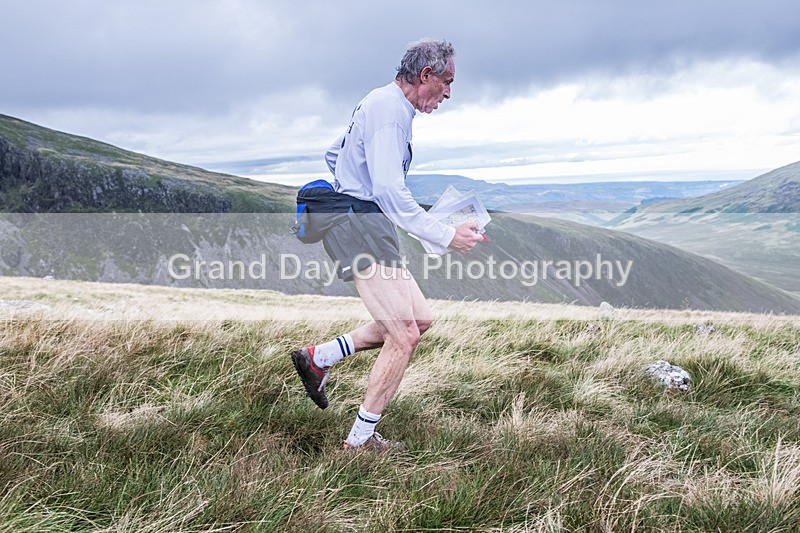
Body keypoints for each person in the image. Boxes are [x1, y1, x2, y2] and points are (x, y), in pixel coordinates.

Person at [291, 38, 483, 451]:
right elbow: (391, 192)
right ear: (425, 75)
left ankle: (318, 358)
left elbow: (333, 153)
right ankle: (359, 441)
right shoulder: (391, 113)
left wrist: (351, 180)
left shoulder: (383, 104)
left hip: (365, 222)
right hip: (359, 225)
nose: (448, 93)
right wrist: (447, 235)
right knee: (404, 335)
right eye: (446, 82)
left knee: (419, 319)